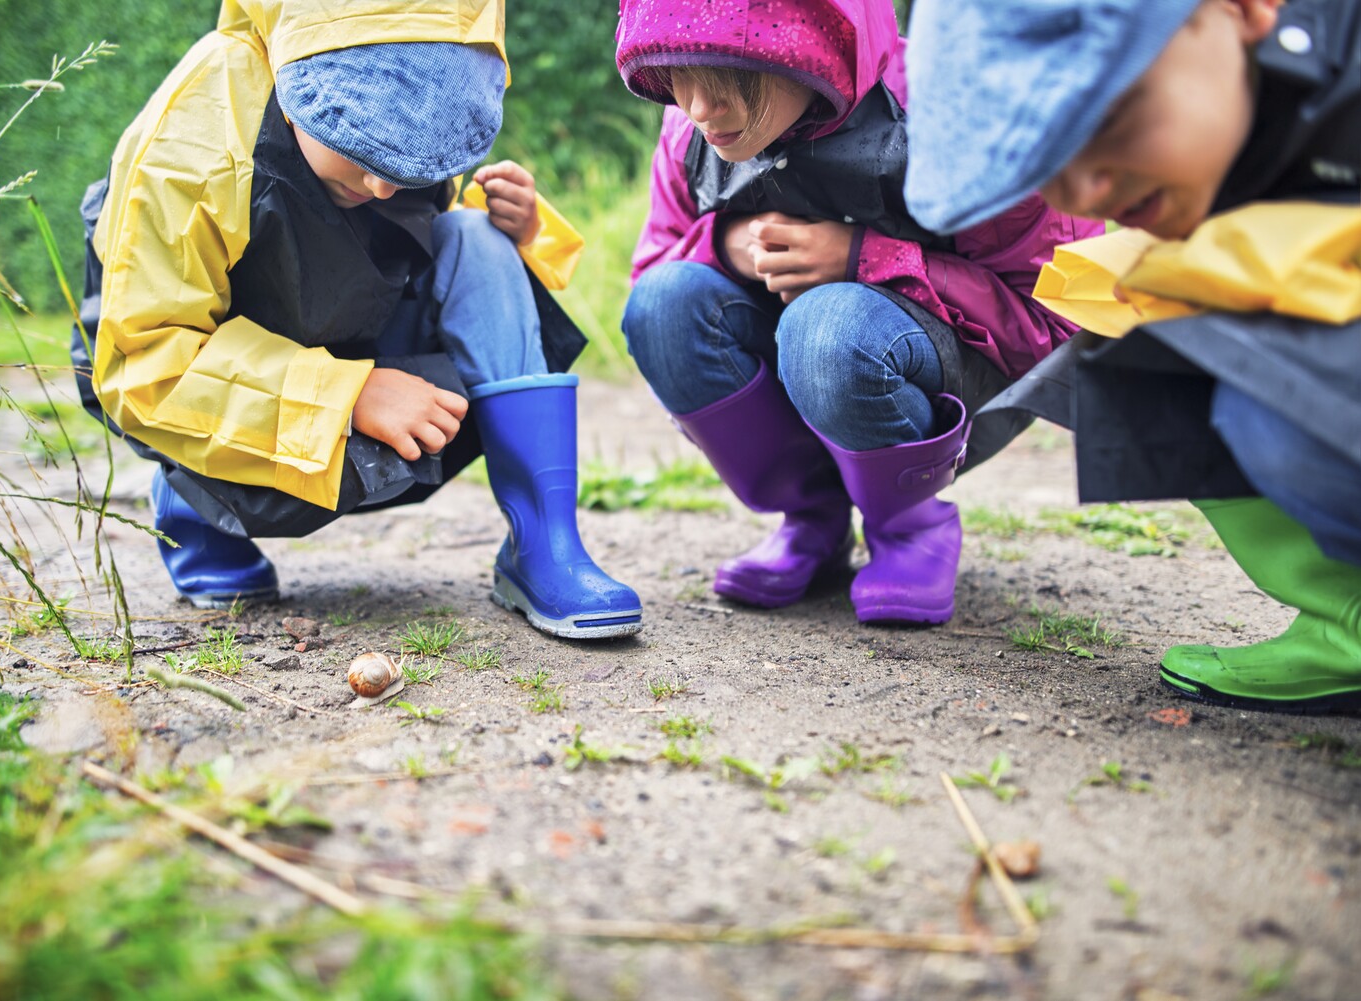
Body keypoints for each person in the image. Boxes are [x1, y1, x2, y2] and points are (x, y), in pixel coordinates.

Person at [69, 0, 642, 640]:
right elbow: (150, 361)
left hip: (346, 329)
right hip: (218, 389)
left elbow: (414, 242)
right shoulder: (193, 144)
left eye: (411, 157)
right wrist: (347, 393)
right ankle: (194, 506)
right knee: (212, 439)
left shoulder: (418, 95)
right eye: (358, 140)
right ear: (293, 83)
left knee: (476, 236)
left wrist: (525, 231)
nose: (381, 185)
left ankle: (544, 543)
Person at [904, 0, 1361, 710]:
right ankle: (1349, 627)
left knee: (1264, 384)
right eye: (1047, 159)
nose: (1084, 190)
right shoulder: (1227, 112)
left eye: (1112, 120)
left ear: (1244, 11)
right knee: (1157, 356)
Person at [614, 0, 1096, 625]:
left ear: (810, 48)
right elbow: (653, 272)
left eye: (733, 77)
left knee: (828, 327)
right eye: (679, 74)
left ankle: (908, 526)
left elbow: (1059, 327)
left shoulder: (959, 116)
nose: (701, 108)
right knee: (662, 305)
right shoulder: (689, 132)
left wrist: (866, 258)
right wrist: (730, 245)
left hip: (950, 381)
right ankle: (813, 519)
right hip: (809, 361)